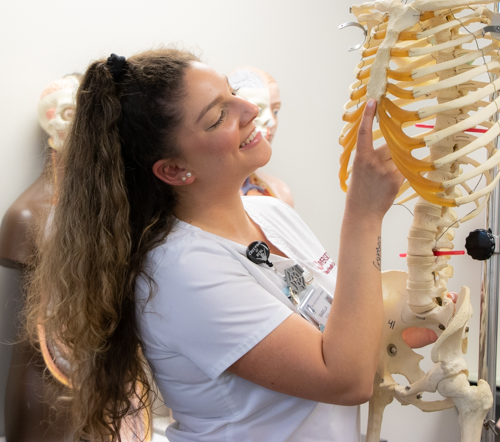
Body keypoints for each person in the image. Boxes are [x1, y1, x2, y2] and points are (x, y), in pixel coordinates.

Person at [25, 49, 409, 441]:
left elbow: (343, 327)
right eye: (219, 115)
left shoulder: (272, 214)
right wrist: (364, 215)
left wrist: (405, 316)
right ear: (174, 169)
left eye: (232, 93)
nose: (249, 109)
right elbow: (345, 380)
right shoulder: (181, 270)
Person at [0, 74, 79, 441]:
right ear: (60, 120)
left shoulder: (108, 210)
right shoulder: (27, 217)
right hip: (48, 383)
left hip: (105, 380)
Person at [228, 66, 293, 206]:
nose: (271, 121)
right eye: (257, 110)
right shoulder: (204, 198)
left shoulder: (280, 192)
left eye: (275, 111)